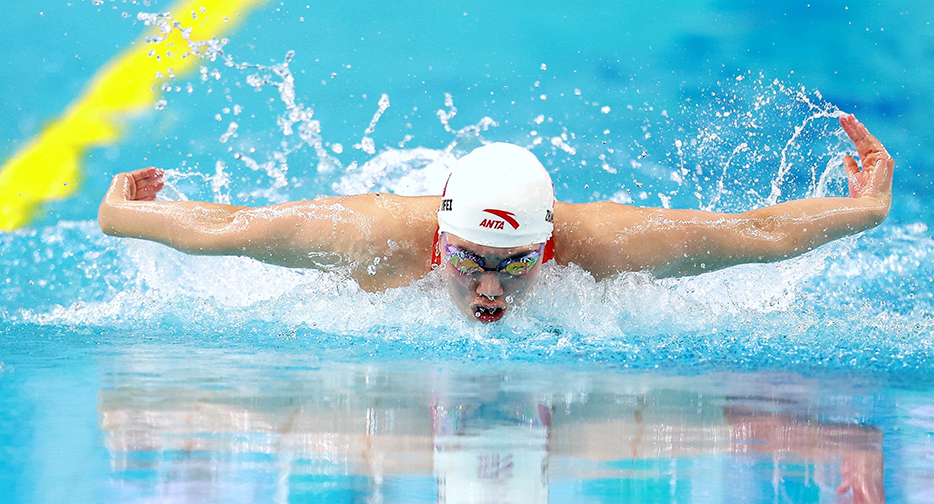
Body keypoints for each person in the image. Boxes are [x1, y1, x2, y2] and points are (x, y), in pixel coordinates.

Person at [98, 114, 893, 323]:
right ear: (439, 239)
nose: (489, 286)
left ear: (548, 246)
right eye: (470, 257)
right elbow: (223, 228)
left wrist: (864, 212)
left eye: (515, 264)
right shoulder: (368, 239)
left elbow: (750, 236)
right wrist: (118, 216)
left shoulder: (605, 247)